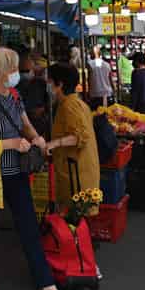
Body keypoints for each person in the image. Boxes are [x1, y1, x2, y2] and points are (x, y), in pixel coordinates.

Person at [0, 48, 85, 290]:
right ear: (1, 72)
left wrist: (36, 139)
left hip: (17, 173)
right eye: (12, 69)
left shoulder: (14, 96)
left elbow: (25, 123)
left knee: (29, 230)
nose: (16, 74)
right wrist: (9, 143)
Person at [45, 63, 100, 211]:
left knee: (75, 217)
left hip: (76, 173)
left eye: (49, 81)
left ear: (59, 84)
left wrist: (54, 144)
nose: (47, 85)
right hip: (76, 169)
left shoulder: (69, 106)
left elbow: (80, 137)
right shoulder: (74, 103)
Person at [17, 51, 49, 137]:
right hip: (25, 125)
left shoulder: (41, 83)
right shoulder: (14, 86)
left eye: (27, 71)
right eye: (23, 72)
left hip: (37, 124)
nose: (25, 75)